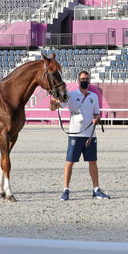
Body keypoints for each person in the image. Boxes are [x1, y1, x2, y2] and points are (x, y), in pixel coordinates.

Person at [50, 71, 109, 201]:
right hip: (75, 134)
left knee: (93, 162)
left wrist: (96, 118)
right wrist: (52, 103)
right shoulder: (71, 95)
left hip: (90, 135)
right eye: (82, 79)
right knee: (70, 162)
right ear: (78, 80)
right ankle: (66, 190)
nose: (85, 81)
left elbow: (96, 113)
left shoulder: (93, 96)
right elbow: (55, 107)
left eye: (87, 79)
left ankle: (96, 189)